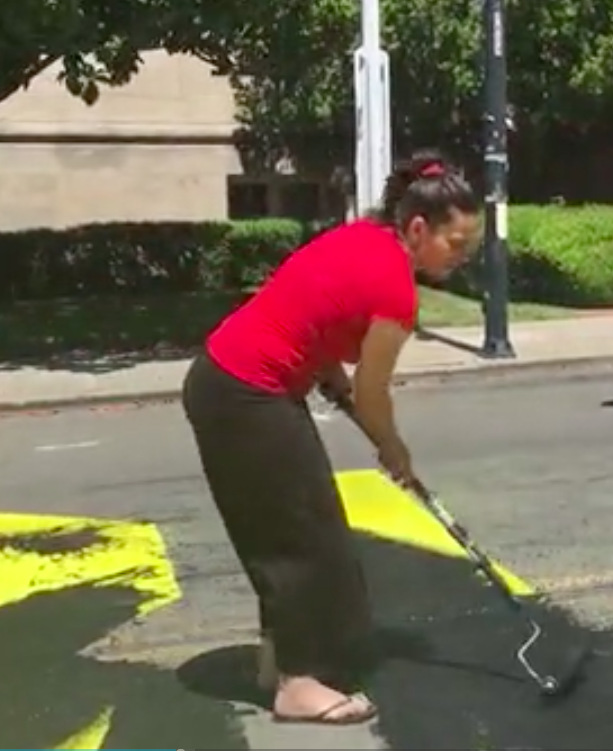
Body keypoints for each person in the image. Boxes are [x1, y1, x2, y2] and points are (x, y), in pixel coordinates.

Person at [181, 151, 480, 725]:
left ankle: (282, 664)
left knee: (287, 529)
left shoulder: (364, 238)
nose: (463, 256)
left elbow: (318, 318)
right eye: (457, 242)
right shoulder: (396, 289)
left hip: (227, 382)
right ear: (418, 228)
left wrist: (335, 388)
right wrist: (394, 451)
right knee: (308, 540)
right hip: (247, 393)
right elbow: (374, 394)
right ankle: (298, 684)